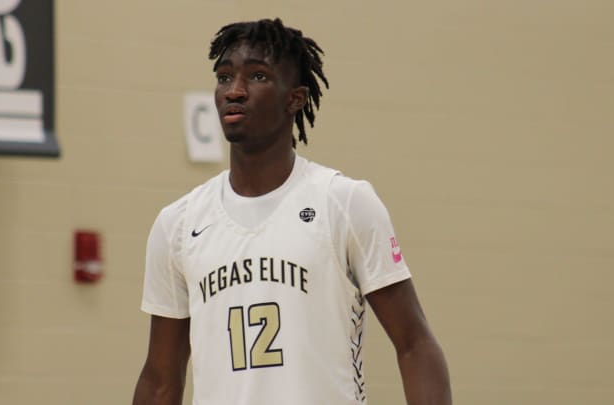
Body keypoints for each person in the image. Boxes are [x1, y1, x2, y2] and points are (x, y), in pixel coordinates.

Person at [133, 18, 451, 405]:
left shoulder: (344, 203)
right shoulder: (178, 224)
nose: (234, 90)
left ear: (295, 99)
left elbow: (415, 345)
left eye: (257, 76)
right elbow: (160, 378)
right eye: (223, 77)